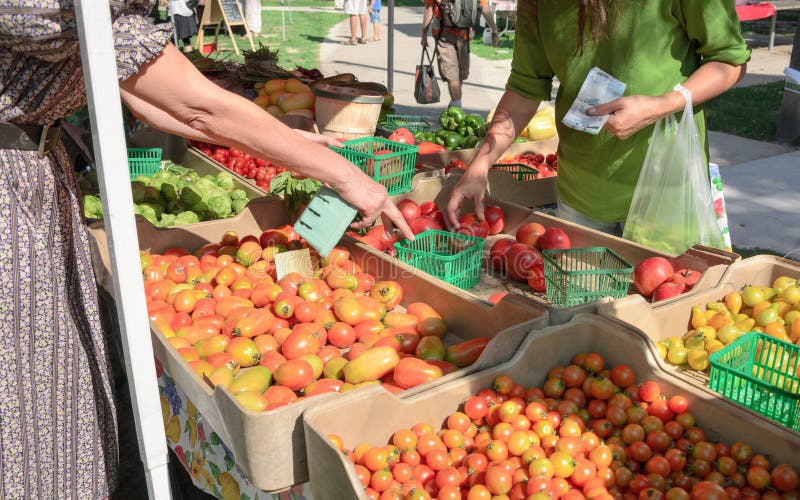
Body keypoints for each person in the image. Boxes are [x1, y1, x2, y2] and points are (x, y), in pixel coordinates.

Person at [0, 2, 412, 498]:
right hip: (13, 192)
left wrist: (280, 145)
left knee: (44, 391)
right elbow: (197, 106)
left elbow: (156, 104)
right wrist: (343, 174)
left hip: (32, 172)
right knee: (29, 396)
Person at [446, 0, 749, 236]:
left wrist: (662, 105)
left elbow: (730, 62)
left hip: (666, 189)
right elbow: (525, 88)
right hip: (581, 194)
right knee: (584, 314)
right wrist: (480, 165)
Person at [421, 0, 471, 108]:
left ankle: (456, 104)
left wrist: (424, 34)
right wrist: (494, 30)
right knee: (457, 75)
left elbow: (429, 8)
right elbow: (484, 8)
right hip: (464, 35)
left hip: (444, 34)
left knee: (453, 75)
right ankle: (456, 105)